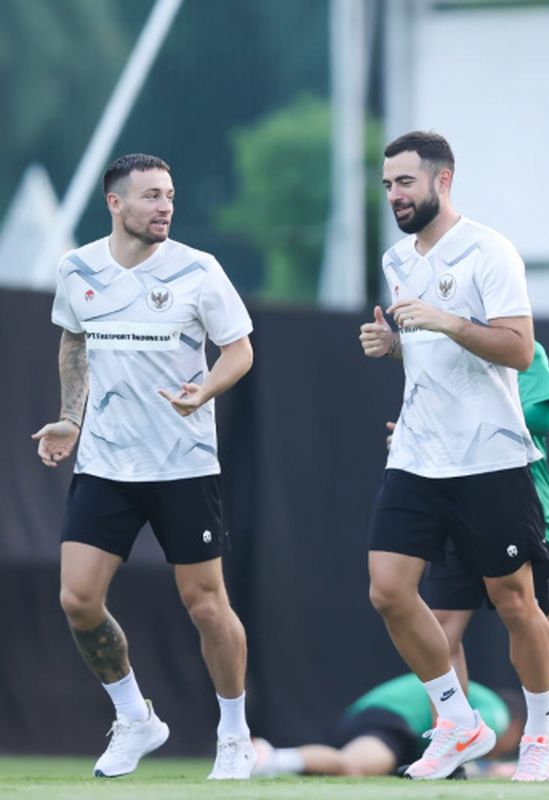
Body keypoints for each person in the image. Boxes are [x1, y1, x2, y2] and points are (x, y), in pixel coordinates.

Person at [33, 153, 256, 779]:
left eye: (170, 196)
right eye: (152, 196)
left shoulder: (198, 270)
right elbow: (74, 339)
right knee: (78, 600)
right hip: (106, 465)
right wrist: (70, 419)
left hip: (183, 466)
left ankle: (235, 735)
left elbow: (239, 349)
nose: (164, 207)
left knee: (207, 604)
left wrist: (205, 389)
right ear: (115, 203)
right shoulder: (76, 269)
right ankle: (136, 718)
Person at [357, 131, 549, 782]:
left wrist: (444, 320)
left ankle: (539, 736)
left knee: (516, 602)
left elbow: (519, 349)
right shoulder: (395, 259)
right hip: (417, 453)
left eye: (405, 183)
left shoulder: (490, 250)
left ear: (442, 181)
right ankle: (456, 719)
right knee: (389, 590)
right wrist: (392, 345)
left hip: (491, 456)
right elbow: (426, 350)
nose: (394, 195)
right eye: (388, 184)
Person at [416, 340, 549, 780]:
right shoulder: (438, 349)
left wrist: (466, 415)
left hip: (520, 508)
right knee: (442, 628)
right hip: (452, 503)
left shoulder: (524, 348)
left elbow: (540, 417)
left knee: (543, 634)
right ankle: (453, 745)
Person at [251, 674, 518, 778]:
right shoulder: (498, 713)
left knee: (345, 766)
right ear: (516, 727)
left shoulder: (480, 699)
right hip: (392, 721)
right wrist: (491, 770)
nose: (506, 750)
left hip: (376, 717)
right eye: (513, 746)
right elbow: (462, 745)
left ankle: (275, 758)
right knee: (352, 766)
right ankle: (266, 757)